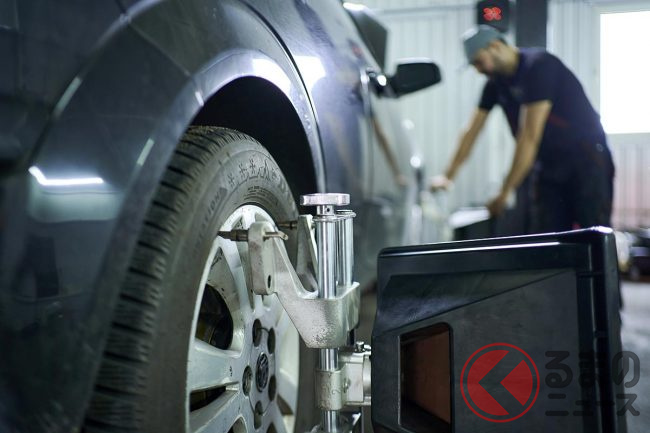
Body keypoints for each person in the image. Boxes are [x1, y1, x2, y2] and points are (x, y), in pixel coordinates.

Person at [431, 25, 614, 233]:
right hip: (548, 164)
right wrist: (447, 176)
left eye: (478, 62)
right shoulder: (495, 84)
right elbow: (471, 131)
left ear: (495, 46)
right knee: (548, 236)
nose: (478, 70)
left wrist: (505, 192)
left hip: (586, 158)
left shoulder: (539, 66)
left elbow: (529, 136)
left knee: (593, 232)